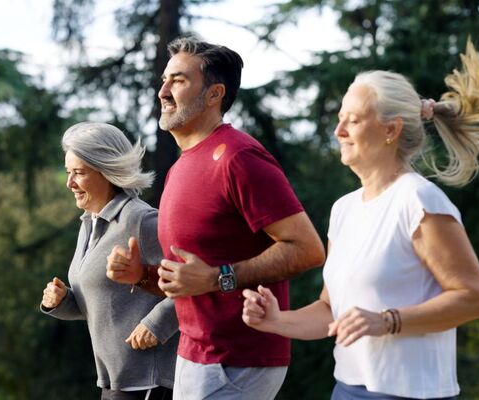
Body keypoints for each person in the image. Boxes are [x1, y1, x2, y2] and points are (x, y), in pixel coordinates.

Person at [242, 40, 479, 399]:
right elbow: (331, 310)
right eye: (340, 119)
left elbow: (473, 298)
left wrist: (388, 320)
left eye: (353, 120)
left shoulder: (419, 200)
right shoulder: (343, 209)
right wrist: (276, 320)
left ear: (391, 130)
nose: (339, 131)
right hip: (346, 390)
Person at [106, 37, 325, 399]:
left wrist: (216, 277)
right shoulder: (181, 168)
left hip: (238, 361)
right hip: (194, 355)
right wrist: (142, 276)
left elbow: (307, 249)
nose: (163, 91)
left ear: (214, 94)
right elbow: (192, 284)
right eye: (164, 80)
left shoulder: (238, 157)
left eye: (178, 80)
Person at [41, 122, 179, 400]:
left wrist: (156, 324)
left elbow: (195, 284)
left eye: (79, 173)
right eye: (68, 172)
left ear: (107, 170)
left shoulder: (140, 219)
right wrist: (63, 300)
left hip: (148, 380)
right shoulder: (89, 223)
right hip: (114, 380)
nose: (69, 183)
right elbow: (102, 302)